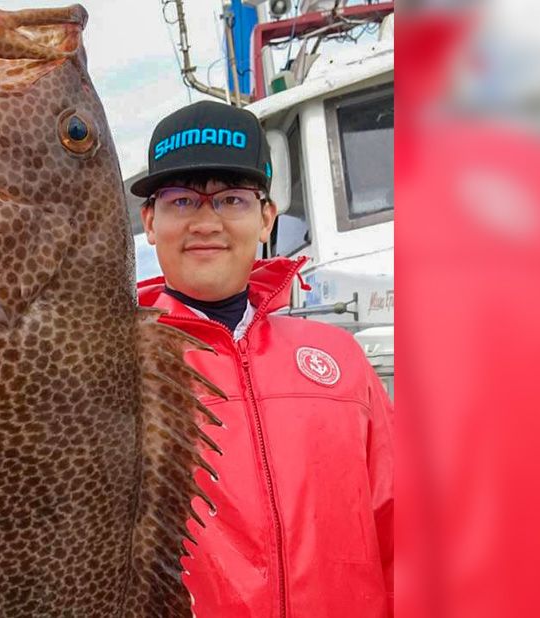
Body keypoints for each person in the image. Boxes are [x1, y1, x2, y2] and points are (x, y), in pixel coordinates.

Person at [131, 100, 393, 617]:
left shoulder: (340, 357)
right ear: (150, 222)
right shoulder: (107, 366)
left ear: (266, 216)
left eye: (231, 199)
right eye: (181, 201)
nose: (206, 222)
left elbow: (401, 524)